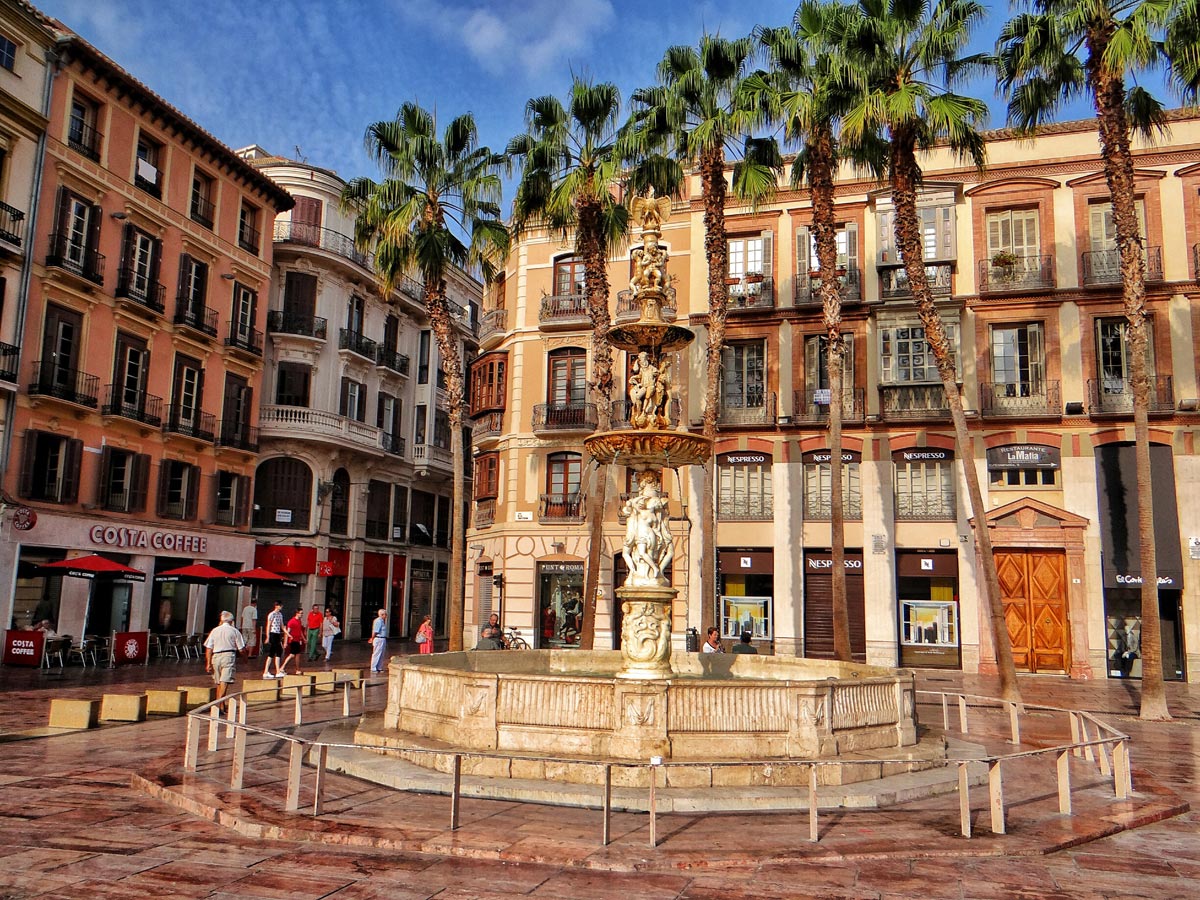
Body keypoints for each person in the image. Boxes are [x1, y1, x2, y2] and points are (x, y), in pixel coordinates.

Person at [203, 610, 246, 700]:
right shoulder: (234, 631)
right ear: (231, 621)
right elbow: (241, 649)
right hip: (228, 656)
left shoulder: (214, 630)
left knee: (219, 682)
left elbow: (209, 648)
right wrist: (245, 658)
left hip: (216, 657)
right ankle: (218, 703)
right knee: (225, 681)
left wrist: (208, 663)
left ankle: (221, 705)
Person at [261, 600, 285, 678]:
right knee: (273, 652)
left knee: (278, 651)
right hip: (273, 634)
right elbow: (268, 625)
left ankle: (277, 671)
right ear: (277, 606)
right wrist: (268, 636)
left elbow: (282, 625)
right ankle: (267, 671)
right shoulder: (272, 614)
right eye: (280, 605)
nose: (281, 607)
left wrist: (287, 633)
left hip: (278, 634)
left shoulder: (280, 615)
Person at [280, 610, 306, 675]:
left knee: (295, 655)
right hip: (293, 640)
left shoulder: (299, 621)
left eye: (302, 613)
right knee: (293, 655)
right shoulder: (291, 622)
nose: (302, 615)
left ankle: (296, 669)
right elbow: (287, 632)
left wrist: (303, 639)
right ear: (297, 613)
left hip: (297, 640)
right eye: (301, 613)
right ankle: (284, 668)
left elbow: (300, 631)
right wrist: (285, 642)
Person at [369, 608, 388, 673]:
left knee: (382, 653)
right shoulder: (378, 621)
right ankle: (373, 668)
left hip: (383, 638)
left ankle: (379, 667)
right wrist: (372, 638)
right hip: (379, 638)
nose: (386, 616)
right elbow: (375, 631)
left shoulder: (382, 621)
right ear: (382, 615)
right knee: (377, 653)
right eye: (385, 614)